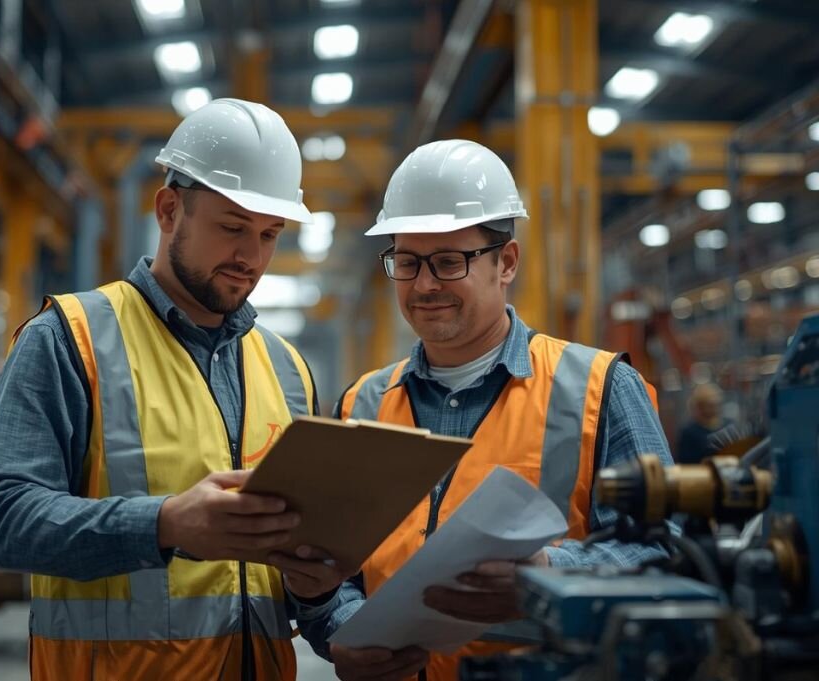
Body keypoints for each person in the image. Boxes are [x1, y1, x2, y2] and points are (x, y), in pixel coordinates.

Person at [0, 99, 342, 681]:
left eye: (270, 234)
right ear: (169, 210)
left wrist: (319, 595)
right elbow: (0, 519)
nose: (252, 257)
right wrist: (163, 524)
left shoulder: (286, 367)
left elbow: (277, 576)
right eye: (232, 228)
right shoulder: (70, 339)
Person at [283, 140, 676, 681]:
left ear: (506, 262)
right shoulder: (362, 402)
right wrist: (345, 631)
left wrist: (547, 577)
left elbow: (666, 553)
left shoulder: (599, 388)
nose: (424, 284)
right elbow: (329, 573)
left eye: (448, 262)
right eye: (406, 262)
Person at [675, 382, 729, 464]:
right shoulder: (689, 433)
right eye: (709, 405)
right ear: (699, 407)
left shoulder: (729, 427)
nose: (712, 409)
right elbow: (685, 464)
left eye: (715, 405)